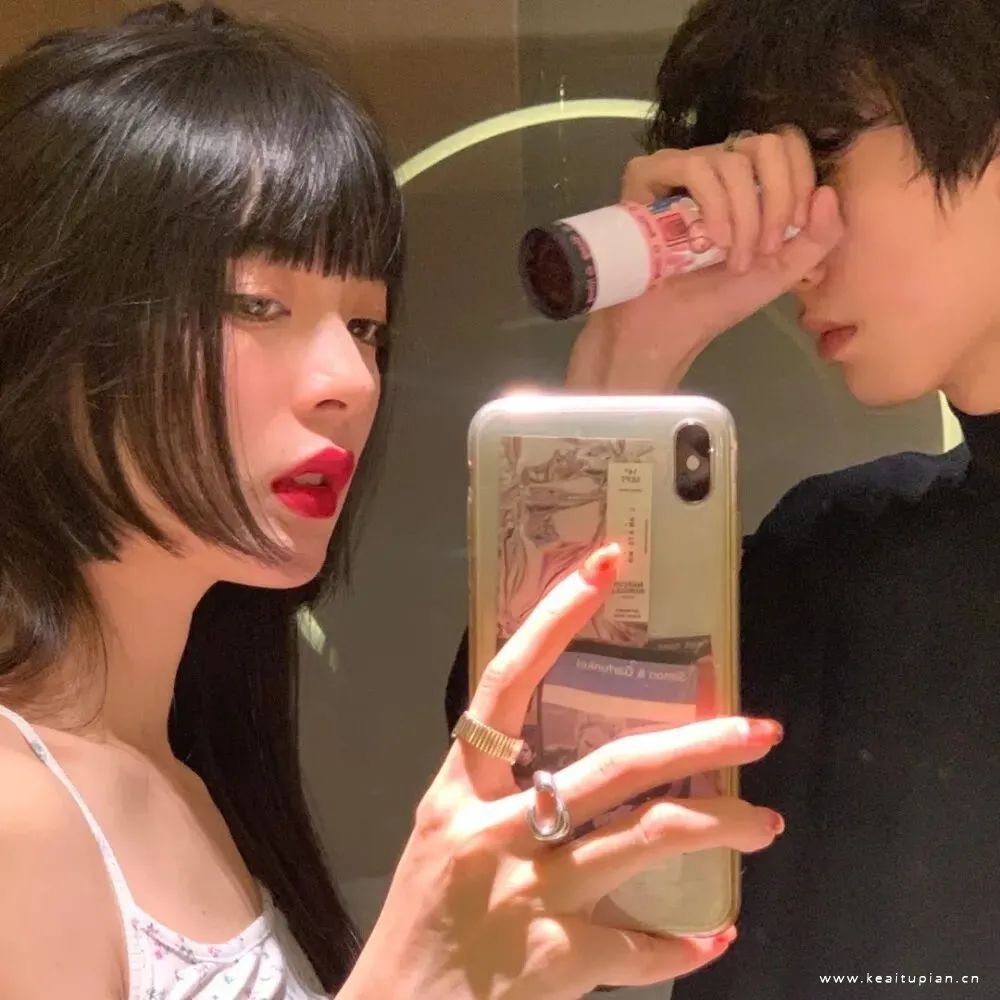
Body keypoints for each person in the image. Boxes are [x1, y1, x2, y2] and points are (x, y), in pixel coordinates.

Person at [0, 3, 787, 997]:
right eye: (257, 303)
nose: (351, 380)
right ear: (50, 320)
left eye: (367, 325)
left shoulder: (180, 767)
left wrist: (635, 349)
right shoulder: (19, 814)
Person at [444, 0, 1000, 995]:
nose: (795, 245)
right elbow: (537, 810)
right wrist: (627, 363)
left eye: (818, 157)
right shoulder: (832, 558)